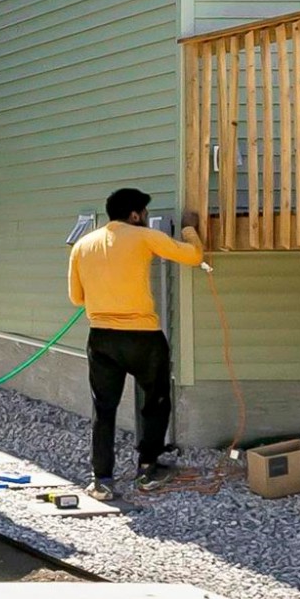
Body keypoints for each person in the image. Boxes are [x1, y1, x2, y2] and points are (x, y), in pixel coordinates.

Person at [66, 187, 202, 497]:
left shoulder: (83, 245)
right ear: (135, 215)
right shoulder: (144, 236)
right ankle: (147, 469)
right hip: (143, 337)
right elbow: (194, 256)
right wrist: (189, 229)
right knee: (155, 400)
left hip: (101, 337)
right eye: (143, 212)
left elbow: (76, 298)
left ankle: (101, 479)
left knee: (103, 409)